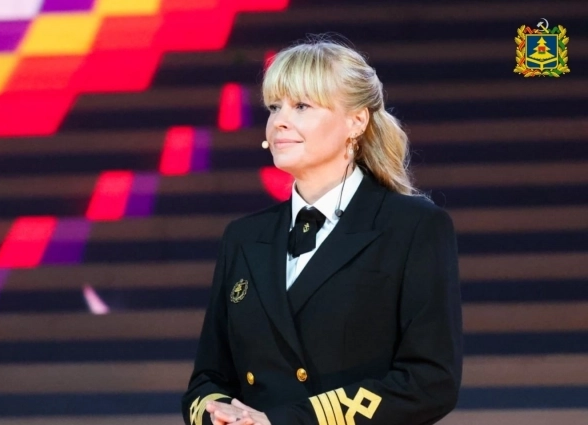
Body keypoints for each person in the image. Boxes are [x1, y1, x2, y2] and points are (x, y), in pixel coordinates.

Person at [181, 36, 462, 425]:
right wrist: (218, 416)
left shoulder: (413, 226)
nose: (279, 121)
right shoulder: (243, 237)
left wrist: (285, 421)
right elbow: (207, 380)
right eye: (275, 106)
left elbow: (430, 382)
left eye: (301, 106)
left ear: (356, 121)